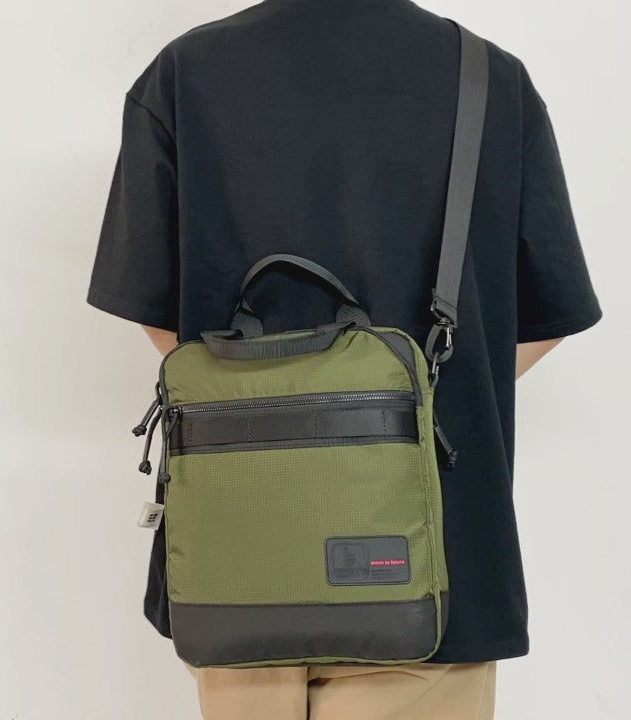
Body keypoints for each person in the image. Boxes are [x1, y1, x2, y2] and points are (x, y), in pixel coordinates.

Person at [85, 0, 603, 717]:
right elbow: (547, 317)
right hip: (434, 570)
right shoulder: (492, 80)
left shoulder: (184, 73)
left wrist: (283, 411)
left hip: (243, 567)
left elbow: (152, 307)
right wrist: (399, 405)